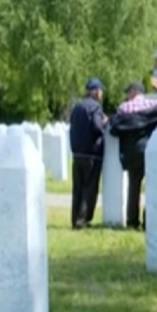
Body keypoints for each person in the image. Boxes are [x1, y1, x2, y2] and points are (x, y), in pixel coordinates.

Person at [109, 84, 157, 230]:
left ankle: (132, 220)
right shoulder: (154, 105)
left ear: (133, 92)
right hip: (150, 150)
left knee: (133, 186)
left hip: (131, 153)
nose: (127, 96)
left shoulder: (124, 108)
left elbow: (115, 127)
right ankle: (148, 219)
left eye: (128, 92)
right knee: (151, 187)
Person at [68, 77, 108, 229]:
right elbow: (97, 127)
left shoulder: (77, 107)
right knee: (89, 188)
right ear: (96, 91)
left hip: (77, 152)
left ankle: (74, 218)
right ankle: (82, 219)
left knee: (77, 187)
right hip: (92, 153)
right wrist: (105, 122)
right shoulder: (96, 108)